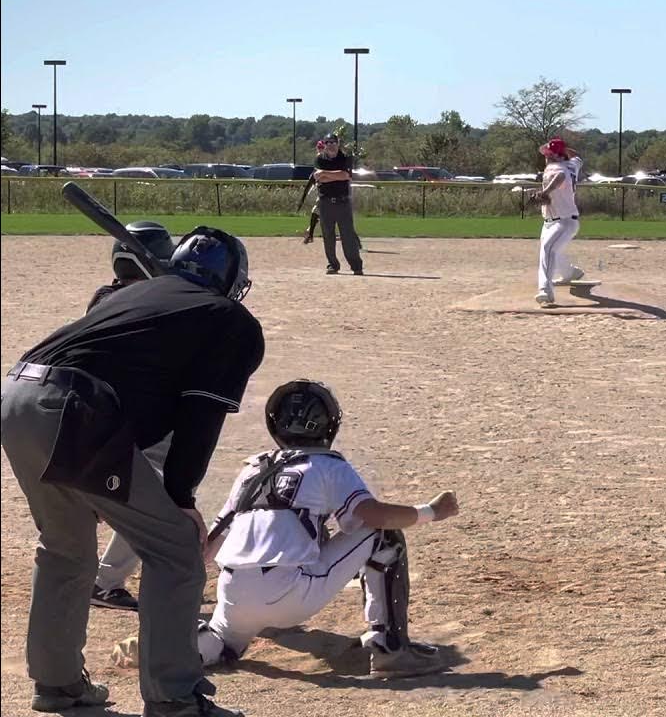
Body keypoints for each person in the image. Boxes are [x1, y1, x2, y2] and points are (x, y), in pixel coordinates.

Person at [1, 227, 263, 716]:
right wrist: (181, 498)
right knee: (176, 552)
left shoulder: (137, 293)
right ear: (230, 280)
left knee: (65, 548)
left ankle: (57, 684)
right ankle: (174, 697)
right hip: (74, 409)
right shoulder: (230, 319)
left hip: (16, 396)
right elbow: (198, 415)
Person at [193, 379, 459, 677]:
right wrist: (431, 512)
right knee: (383, 535)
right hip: (291, 594)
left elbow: (205, 550)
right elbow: (375, 517)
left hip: (233, 593)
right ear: (329, 426)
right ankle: (391, 649)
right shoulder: (327, 465)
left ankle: (176, 650)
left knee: (223, 636)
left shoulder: (251, 470)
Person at [88, 222, 178, 612]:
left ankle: (88, 568)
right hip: (136, 422)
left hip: (93, 414)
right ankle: (106, 580)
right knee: (159, 493)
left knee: (97, 494)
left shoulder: (103, 297)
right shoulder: (154, 303)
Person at [530, 137, 586, 306]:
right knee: (552, 250)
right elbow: (578, 157)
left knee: (547, 249)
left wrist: (546, 191)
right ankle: (570, 273)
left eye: (548, 153)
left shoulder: (556, 167)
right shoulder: (572, 165)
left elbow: (560, 177)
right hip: (557, 220)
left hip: (563, 221)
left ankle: (545, 290)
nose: (545, 156)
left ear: (554, 156)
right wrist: (563, 150)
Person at [313, 133, 363, 275]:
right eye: (327, 142)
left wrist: (325, 174)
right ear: (324, 144)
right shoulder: (319, 159)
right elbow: (319, 179)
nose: (331, 145)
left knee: (348, 236)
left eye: (333, 142)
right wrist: (334, 176)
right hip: (326, 201)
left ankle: (356, 266)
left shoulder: (345, 158)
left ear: (338, 143)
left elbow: (345, 176)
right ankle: (333, 264)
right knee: (328, 235)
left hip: (343, 202)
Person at [301, 140, 325, 245]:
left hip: (332, 192)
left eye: (321, 148)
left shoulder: (328, 161)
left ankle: (310, 233)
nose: (320, 150)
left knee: (318, 212)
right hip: (324, 193)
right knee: (317, 212)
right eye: (319, 148)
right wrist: (302, 198)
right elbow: (311, 181)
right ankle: (310, 232)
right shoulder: (319, 162)